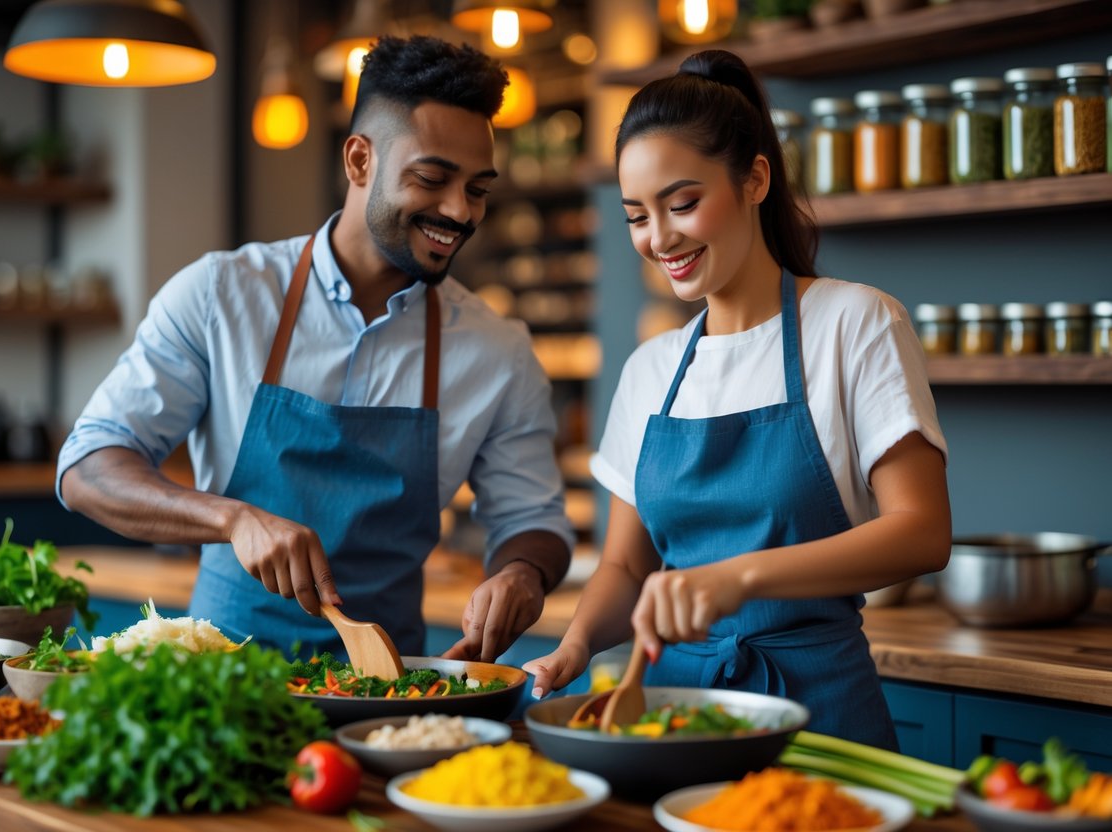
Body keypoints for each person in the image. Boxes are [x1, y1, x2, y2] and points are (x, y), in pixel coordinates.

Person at [57, 35, 573, 662]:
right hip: (219, 680)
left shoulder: (498, 351)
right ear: (359, 162)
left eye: (478, 189)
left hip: (388, 688)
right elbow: (89, 469)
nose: (459, 210)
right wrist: (232, 519)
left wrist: (522, 573)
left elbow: (534, 522)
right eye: (433, 179)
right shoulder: (222, 295)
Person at [522, 50, 950, 748]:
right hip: (673, 718)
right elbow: (627, 566)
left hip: (819, 718)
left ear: (754, 179)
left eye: (681, 203)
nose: (658, 238)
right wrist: (575, 645)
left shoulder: (854, 323)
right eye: (637, 215)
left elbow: (922, 531)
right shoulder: (649, 369)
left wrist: (737, 578)